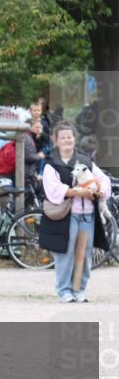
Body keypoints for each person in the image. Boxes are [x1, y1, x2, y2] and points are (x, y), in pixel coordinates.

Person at [38, 122, 112, 302]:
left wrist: (100, 190)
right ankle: (64, 290)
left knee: (84, 254)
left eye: (69, 137)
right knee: (66, 253)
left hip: (87, 215)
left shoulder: (85, 161)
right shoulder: (51, 164)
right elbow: (53, 190)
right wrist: (80, 192)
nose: (67, 140)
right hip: (66, 215)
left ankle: (79, 290)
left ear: (74, 139)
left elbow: (103, 179)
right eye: (63, 138)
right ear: (56, 140)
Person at [22, 119, 45, 190]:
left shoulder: (33, 138)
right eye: (37, 127)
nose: (39, 130)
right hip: (25, 173)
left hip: (30, 172)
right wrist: (39, 156)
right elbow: (27, 156)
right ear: (29, 127)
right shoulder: (26, 138)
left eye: (41, 127)